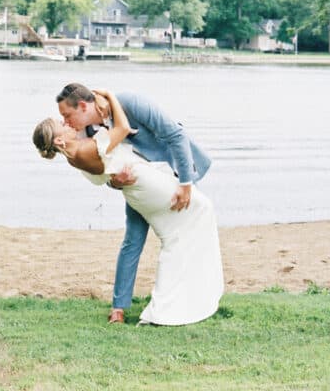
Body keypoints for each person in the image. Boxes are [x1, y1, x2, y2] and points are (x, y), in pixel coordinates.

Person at [33, 88, 223, 326]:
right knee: (157, 236)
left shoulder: (130, 103)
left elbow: (175, 135)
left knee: (162, 234)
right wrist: (116, 182)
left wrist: (185, 182)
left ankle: (145, 303)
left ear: (83, 106)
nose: (66, 121)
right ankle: (137, 305)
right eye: (62, 120)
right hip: (143, 184)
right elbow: (106, 168)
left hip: (171, 171)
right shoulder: (85, 135)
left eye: (67, 115)